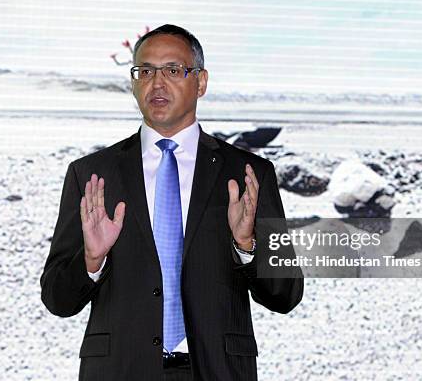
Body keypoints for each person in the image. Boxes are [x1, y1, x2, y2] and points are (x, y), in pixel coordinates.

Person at [40, 24, 303, 381]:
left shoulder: (249, 173)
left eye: (173, 70)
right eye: (145, 71)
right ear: (134, 82)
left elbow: (285, 293)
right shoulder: (92, 174)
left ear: (201, 82)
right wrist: (91, 259)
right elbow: (57, 299)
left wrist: (246, 246)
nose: (157, 83)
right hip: (120, 370)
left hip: (216, 370)